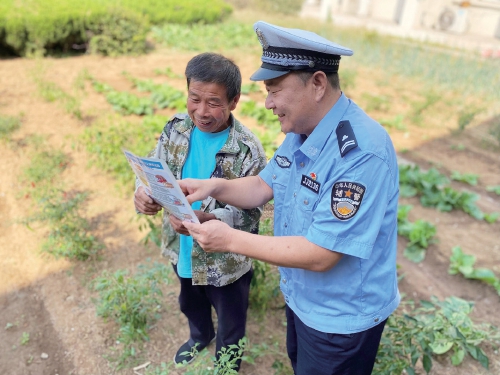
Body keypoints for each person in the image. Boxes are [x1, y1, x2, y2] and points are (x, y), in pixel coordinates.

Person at [180, 21, 401, 375]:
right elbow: (263, 187)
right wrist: (211, 187)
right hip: (302, 297)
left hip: (339, 317)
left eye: (274, 90)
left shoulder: (360, 153)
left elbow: (321, 254)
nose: (268, 103)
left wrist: (230, 239)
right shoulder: (302, 132)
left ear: (317, 84)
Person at [133, 52, 267, 370]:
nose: (201, 111)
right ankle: (199, 335)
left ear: (234, 101)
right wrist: (142, 193)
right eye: (195, 99)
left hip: (226, 261)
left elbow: (254, 213)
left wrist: (210, 219)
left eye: (214, 102)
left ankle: (226, 362)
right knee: (189, 301)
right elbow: (153, 168)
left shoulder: (248, 149)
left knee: (231, 317)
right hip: (182, 246)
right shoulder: (176, 128)